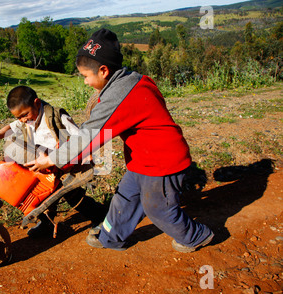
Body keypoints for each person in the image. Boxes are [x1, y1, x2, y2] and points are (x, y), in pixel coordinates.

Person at [25, 29, 214, 252]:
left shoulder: (121, 96)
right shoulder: (130, 80)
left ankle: (195, 236)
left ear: (103, 71)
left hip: (164, 162)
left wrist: (52, 159)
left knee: (158, 209)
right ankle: (111, 236)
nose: (85, 82)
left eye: (86, 76)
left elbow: (88, 136)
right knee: (125, 197)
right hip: (144, 160)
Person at [0, 85, 105, 237]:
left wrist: (88, 155)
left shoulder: (57, 117)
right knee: (43, 194)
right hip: (45, 165)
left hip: (64, 163)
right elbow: (11, 128)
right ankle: (46, 223)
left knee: (71, 194)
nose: (23, 120)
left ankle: (100, 217)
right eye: (18, 117)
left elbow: (80, 137)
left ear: (37, 103)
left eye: (25, 115)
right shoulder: (26, 119)